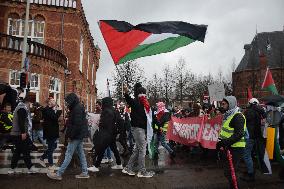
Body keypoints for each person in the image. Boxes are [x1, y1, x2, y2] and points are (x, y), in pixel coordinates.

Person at [47, 93, 89, 180]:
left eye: (67, 101)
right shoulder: (77, 107)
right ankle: (85, 172)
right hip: (79, 135)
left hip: (76, 135)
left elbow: (76, 125)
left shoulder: (76, 109)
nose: (67, 103)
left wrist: (71, 136)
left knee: (68, 154)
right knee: (81, 153)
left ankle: (59, 174)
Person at [122, 83, 154, 178]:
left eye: (145, 93)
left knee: (137, 150)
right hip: (138, 129)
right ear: (139, 94)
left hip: (141, 130)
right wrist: (126, 91)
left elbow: (148, 117)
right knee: (142, 150)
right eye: (142, 93)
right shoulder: (136, 102)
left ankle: (128, 168)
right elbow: (128, 99)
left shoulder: (145, 104)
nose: (144, 95)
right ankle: (142, 171)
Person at [216, 96, 246, 189]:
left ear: (231, 104)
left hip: (236, 148)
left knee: (230, 172)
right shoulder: (228, 115)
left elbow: (239, 134)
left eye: (224, 104)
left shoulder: (238, 116)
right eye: (222, 104)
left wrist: (224, 142)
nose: (222, 105)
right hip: (229, 147)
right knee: (228, 171)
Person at [87, 97, 123, 172]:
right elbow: (120, 121)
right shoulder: (114, 110)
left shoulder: (106, 111)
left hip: (106, 133)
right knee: (114, 149)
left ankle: (96, 166)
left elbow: (104, 123)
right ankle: (119, 164)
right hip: (112, 133)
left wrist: (100, 123)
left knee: (101, 149)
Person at [8, 90, 38, 174]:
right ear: (28, 102)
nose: (31, 106)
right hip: (19, 134)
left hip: (17, 133)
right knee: (25, 151)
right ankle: (30, 168)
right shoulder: (22, 108)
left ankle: (12, 169)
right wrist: (23, 133)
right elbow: (21, 121)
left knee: (18, 151)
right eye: (31, 104)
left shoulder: (20, 106)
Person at [241, 98, 264, 182]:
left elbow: (242, 121)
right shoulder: (258, 112)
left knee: (246, 155)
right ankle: (250, 170)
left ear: (250, 104)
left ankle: (251, 174)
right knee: (249, 155)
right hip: (254, 136)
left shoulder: (249, 112)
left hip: (249, 136)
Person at [38, 98, 62, 169]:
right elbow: (54, 117)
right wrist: (59, 111)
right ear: (49, 102)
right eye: (53, 100)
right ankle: (50, 164)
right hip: (50, 132)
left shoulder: (50, 110)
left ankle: (42, 158)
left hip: (52, 132)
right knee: (51, 148)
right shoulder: (47, 110)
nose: (55, 101)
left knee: (53, 146)